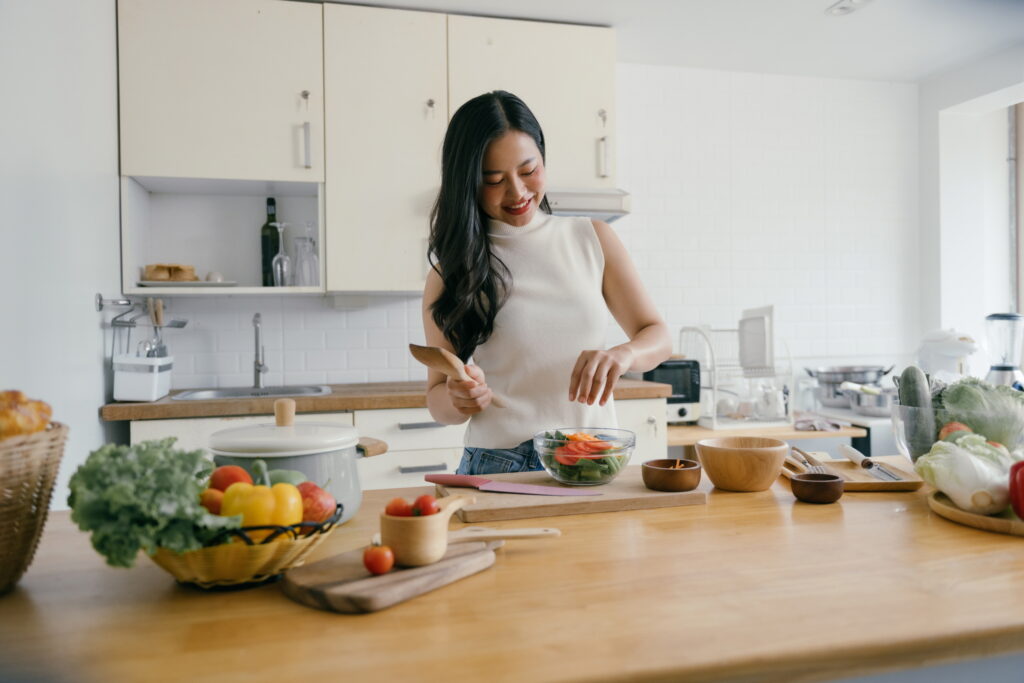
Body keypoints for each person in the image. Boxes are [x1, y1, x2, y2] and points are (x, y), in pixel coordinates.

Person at [422, 90, 671, 475]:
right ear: (467, 181)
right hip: (500, 462)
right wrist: (459, 400)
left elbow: (657, 335)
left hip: (593, 455)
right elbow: (437, 398)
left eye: (527, 171)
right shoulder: (451, 272)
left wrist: (623, 356)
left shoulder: (592, 238)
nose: (518, 192)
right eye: (494, 179)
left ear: (543, 158)